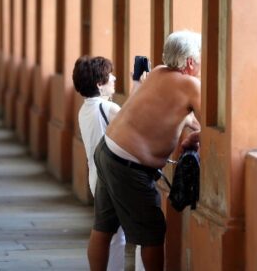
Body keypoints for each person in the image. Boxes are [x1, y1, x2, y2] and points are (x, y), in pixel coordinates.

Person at [88, 30, 202, 271]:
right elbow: (212, 126)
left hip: (107, 151)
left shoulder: (159, 72)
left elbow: (173, 111)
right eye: (200, 58)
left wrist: (192, 127)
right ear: (191, 62)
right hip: (129, 166)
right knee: (153, 231)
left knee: (103, 226)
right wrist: (196, 138)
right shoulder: (191, 85)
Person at [73, 56, 144, 271]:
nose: (113, 77)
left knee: (112, 235)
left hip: (96, 176)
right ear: (99, 83)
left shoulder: (85, 109)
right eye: (108, 75)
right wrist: (139, 86)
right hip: (115, 178)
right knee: (142, 230)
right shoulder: (107, 108)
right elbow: (135, 120)